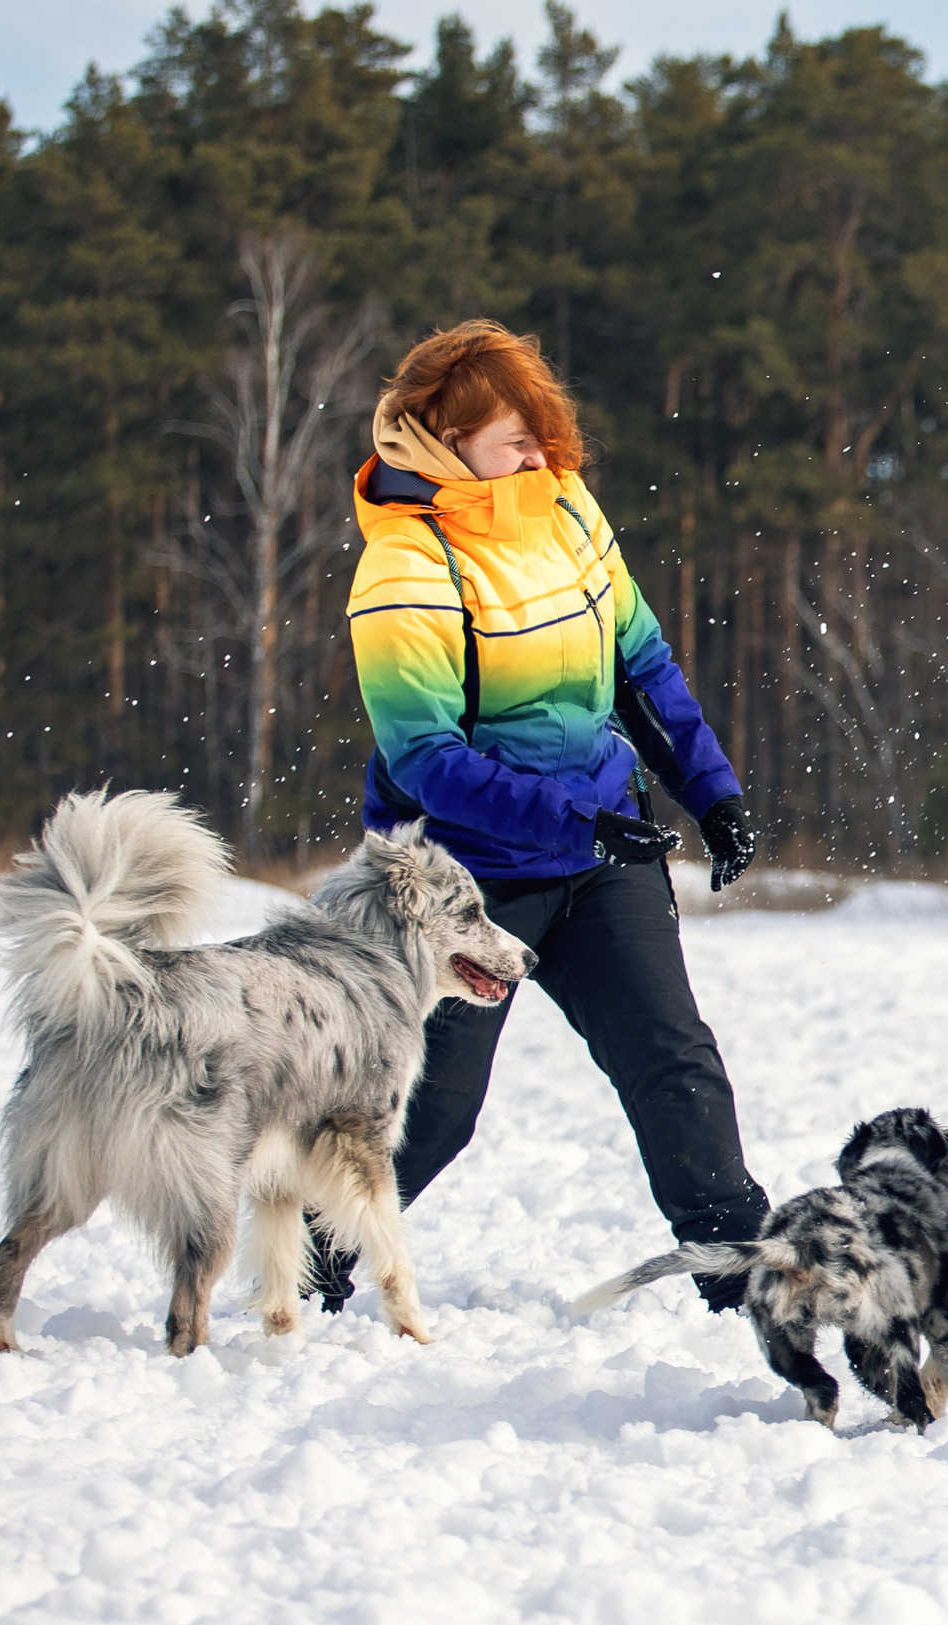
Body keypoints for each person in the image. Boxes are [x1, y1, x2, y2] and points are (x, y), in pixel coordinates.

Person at [308, 319, 768, 1315]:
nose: (540, 453)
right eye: (518, 437)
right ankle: (302, 1265)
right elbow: (426, 760)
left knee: (670, 1055)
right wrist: (578, 825)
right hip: (458, 883)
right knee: (430, 1110)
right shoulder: (403, 568)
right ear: (447, 437)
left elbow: (639, 664)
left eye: (544, 433)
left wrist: (710, 790)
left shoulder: (565, 512)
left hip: (602, 852)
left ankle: (743, 1265)